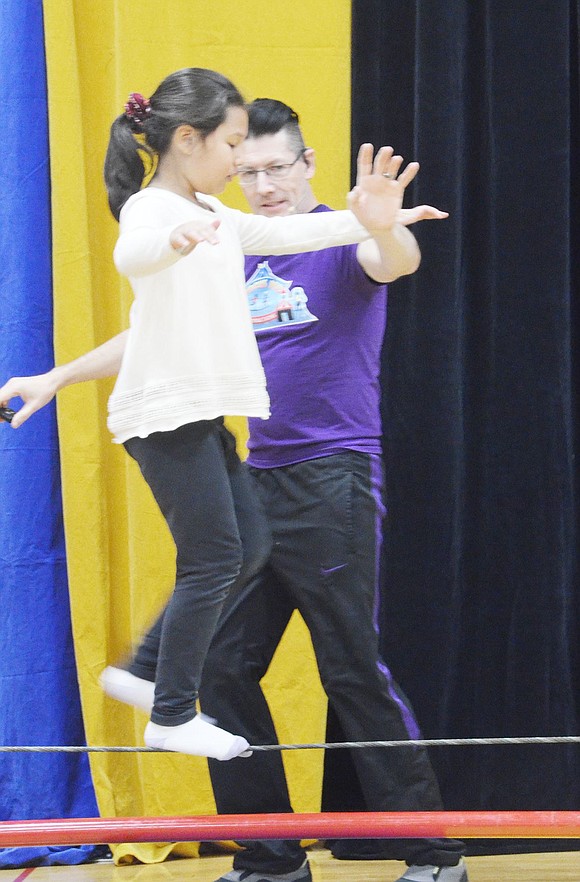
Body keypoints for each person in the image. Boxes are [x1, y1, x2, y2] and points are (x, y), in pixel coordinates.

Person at [0, 98, 468, 882]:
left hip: (333, 481)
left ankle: (434, 851)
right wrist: (57, 376)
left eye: (278, 168)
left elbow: (395, 261)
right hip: (256, 481)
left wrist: (382, 222)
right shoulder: (227, 244)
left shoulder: (338, 235)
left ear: (308, 163)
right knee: (218, 668)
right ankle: (270, 853)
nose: (264, 185)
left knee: (349, 665)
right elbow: (148, 328)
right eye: (247, 171)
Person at [35, 67, 420, 764]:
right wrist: (168, 247)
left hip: (251, 438)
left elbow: (317, 243)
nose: (247, 168)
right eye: (236, 151)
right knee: (217, 560)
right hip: (171, 415)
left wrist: (375, 221)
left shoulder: (216, 220)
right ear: (189, 141)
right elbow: (134, 249)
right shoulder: (164, 212)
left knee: (244, 552)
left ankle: (147, 673)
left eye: (263, 157)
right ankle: (169, 709)